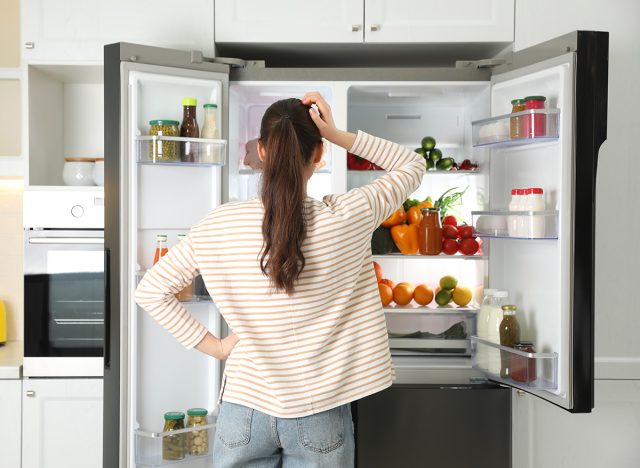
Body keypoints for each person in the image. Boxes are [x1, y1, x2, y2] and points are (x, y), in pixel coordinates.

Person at [135, 92, 426, 467]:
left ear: (261, 150)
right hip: (319, 410)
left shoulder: (218, 224)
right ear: (318, 155)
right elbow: (411, 164)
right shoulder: (350, 215)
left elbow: (151, 291)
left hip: (244, 410)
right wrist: (335, 133)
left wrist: (220, 348)